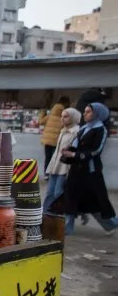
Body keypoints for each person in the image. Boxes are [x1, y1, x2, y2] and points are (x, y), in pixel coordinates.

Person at [62, 102, 118, 236]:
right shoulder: (84, 128)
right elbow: (76, 145)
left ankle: (111, 224)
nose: (85, 114)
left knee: (94, 200)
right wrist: (68, 151)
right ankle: (67, 228)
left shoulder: (100, 129)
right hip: (76, 169)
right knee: (70, 196)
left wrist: (75, 155)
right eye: (85, 111)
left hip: (90, 171)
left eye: (88, 112)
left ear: (97, 114)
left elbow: (96, 150)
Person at [43, 107, 80, 213]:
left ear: (73, 117)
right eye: (62, 116)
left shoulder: (76, 132)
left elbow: (73, 152)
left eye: (66, 116)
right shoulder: (63, 131)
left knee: (58, 193)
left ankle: (56, 216)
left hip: (65, 168)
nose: (62, 119)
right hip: (56, 166)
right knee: (49, 193)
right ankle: (45, 214)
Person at [40, 96, 71, 176]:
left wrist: (42, 113)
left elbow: (40, 122)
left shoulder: (50, 115)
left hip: (47, 140)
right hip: (57, 141)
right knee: (56, 159)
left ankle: (46, 174)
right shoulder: (64, 117)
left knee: (48, 157)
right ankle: (54, 174)